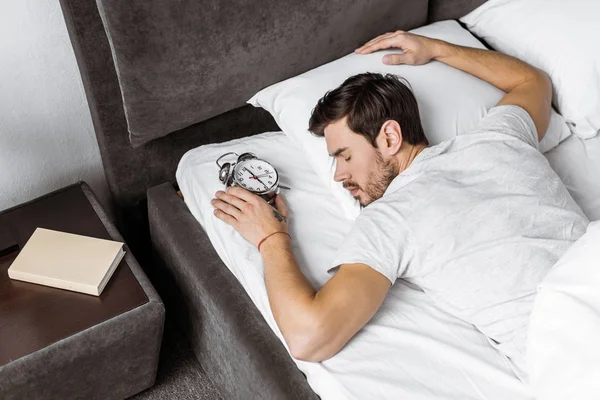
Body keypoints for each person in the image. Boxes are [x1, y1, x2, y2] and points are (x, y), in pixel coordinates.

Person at [210, 30, 589, 380]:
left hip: (576, 338)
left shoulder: (391, 217)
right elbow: (532, 82)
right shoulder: (498, 136)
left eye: (344, 156)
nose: (339, 176)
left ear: (389, 136)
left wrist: (270, 239)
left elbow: (310, 337)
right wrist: (439, 49)